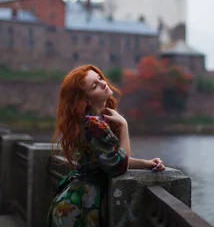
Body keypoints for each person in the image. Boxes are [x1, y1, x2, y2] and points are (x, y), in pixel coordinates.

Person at [47, 64, 166, 227]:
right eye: (94, 85)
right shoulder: (93, 123)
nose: (103, 83)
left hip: (73, 203)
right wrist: (124, 126)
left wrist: (148, 163)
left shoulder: (92, 121)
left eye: (100, 78)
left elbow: (111, 158)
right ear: (86, 99)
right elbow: (119, 166)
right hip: (79, 207)